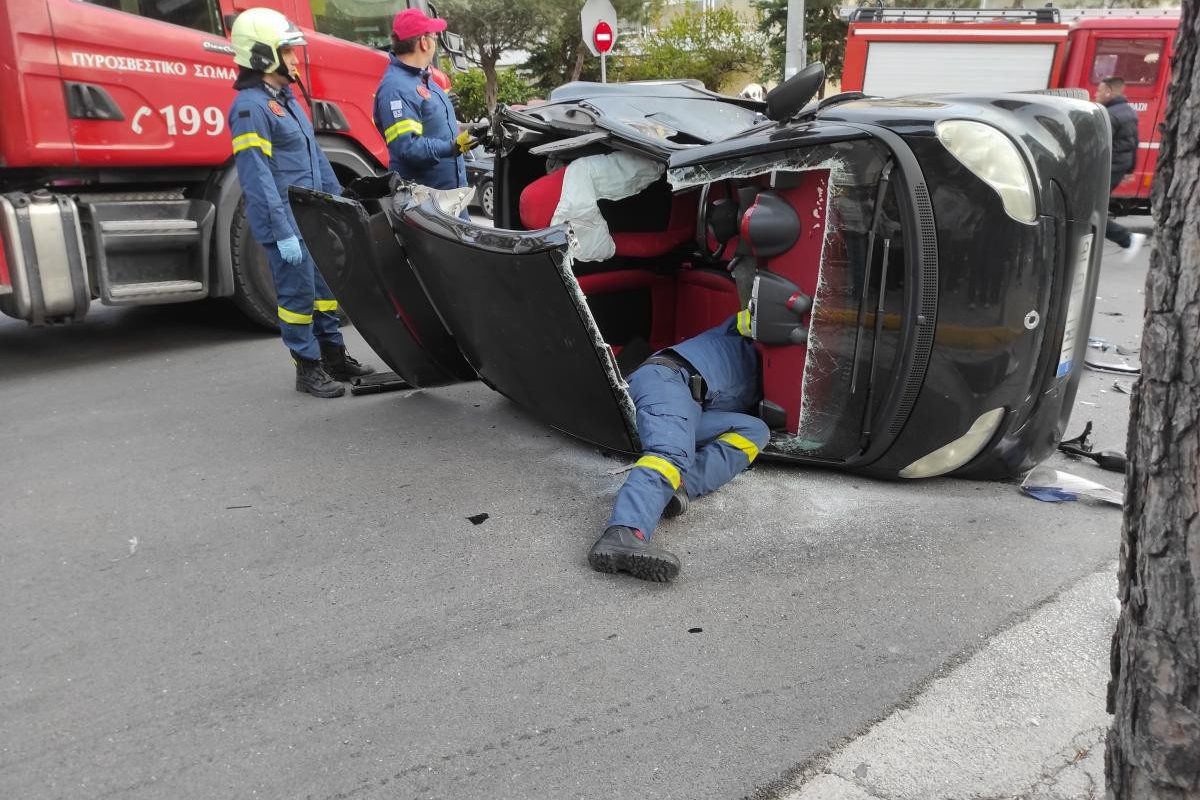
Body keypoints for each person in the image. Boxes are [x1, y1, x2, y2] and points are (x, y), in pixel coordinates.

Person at [227, 7, 373, 398]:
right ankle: (307, 368)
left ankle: (333, 357)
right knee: (296, 298)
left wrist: (338, 205)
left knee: (325, 288)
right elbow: (256, 178)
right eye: (287, 51)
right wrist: (281, 232)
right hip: (286, 221)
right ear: (263, 56)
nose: (294, 59)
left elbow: (317, 159)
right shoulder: (250, 108)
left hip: (311, 217)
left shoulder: (287, 100)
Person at [588, 312, 770, 583]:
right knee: (669, 452)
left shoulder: (768, 375)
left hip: (695, 406)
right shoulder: (741, 330)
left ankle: (680, 486)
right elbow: (753, 314)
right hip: (667, 379)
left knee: (755, 431)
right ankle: (624, 532)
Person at [373, 8, 475, 189]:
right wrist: (452, 148)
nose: (435, 42)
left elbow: (432, 128)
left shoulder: (423, 80)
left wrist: (471, 130)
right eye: (434, 37)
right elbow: (407, 148)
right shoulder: (396, 89)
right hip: (426, 203)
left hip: (450, 197)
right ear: (423, 43)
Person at [1096, 76, 1147, 261]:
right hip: (1118, 167)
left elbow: (1097, 145)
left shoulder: (1110, 115)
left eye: (1099, 91)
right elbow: (1134, 143)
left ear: (1109, 92)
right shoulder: (1128, 111)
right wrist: (1129, 170)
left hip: (1109, 167)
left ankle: (1127, 239)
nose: (1096, 94)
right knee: (1092, 208)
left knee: (1090, 210)